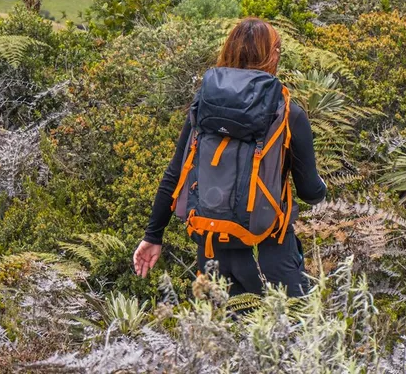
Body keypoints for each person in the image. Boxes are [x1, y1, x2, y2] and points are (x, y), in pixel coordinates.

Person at [132, 18, 326, 296]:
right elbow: (310, 192)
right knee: (292, 337)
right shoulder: (287, 114)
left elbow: (176, 174)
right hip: (270, 257)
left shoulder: (203, 105)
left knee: (222, 338)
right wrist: (322, 188)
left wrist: (153, 236)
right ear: (273, 55)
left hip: (212, 258)